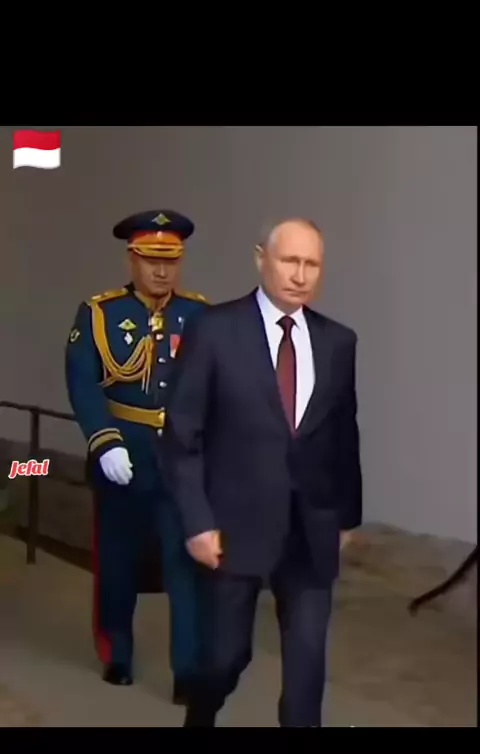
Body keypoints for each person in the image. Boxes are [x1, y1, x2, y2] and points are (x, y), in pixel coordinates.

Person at [163, 217, 362, 726]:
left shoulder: (338, 342)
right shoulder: (214, 330)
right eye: (289, 260)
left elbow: (343, 434)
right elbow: (182, 436)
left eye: (311, 264)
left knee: (307, 673)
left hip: (311, 530)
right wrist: (197, 522)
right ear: (260, 259)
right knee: (226, 657)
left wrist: (347, 517)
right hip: (234, 526)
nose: (300, 275)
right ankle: (201, 715)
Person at [65, 209, 209, 702]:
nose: (162, 271)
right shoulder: (99, 313)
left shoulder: (200, 315)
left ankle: (188, 668)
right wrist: (104, 439)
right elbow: (83, 381)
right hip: (123, 454)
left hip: (181, 458)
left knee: (185, 563)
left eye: (171, 260)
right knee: (118, 560)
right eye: (151, 259)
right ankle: (117, 652)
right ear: (132, 258)